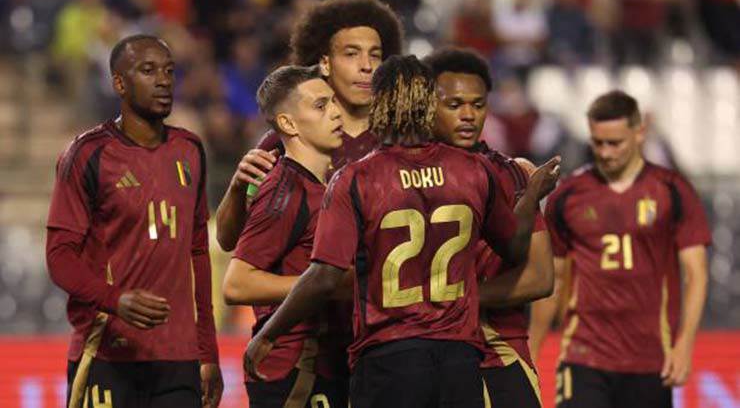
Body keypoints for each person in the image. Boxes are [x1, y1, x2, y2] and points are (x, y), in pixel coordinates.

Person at [245, 55, 560, 408]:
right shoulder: (474, 170)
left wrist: (269, 333)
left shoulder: (357, 178)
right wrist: (532, 195)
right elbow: (515, 249)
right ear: (429, 104)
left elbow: (324, 277)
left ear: (378, 103)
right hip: (459, 359)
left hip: (388, 356)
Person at [46, 34, 223, 408]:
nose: (163, 80)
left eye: (170, 71)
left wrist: (207, 350)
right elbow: (59, 257)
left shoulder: (190, 150)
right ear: (119, 83)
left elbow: (198, 255)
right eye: (148, 70)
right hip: (108, 354)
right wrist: (114, 300)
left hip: (178, 359)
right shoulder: (88, 154)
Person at [529, 90, 710, 408]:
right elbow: (553, 278)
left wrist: (685, 344)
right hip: (584, 355)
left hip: (651, 359)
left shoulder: (672, 190)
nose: (606, 152)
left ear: (639, 133)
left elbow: (696, 273)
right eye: (598, 143)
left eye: (615, 143)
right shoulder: (568, 196)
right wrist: (532, 348)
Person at [215, 0, 404, 251]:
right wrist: (237, 190)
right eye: (351, 54)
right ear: (325, 63)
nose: (366, 66)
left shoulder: (403, 138)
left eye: (375, 55)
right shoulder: (283, 141)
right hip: (311, 289)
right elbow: (227, 240)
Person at [424, 46, 553, 408]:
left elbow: (541, 278)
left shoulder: (512, 175)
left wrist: (457, 300)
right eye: (454, 105)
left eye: (478, 105)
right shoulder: (393, 172)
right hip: (421, 354)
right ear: (426, 105)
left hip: (500, 351)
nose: (468, 115)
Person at [221, 65, 348, 407]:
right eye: (321, 106)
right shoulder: (286, 190)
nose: (336, 112)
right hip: (292, 370)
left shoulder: (326, 183)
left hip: (327, 363)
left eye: (334, 102)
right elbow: (236, 285)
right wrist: (324, 282)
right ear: (288, 124)